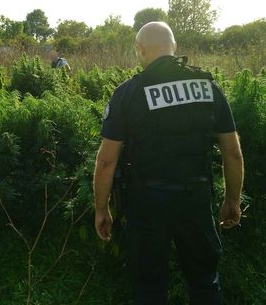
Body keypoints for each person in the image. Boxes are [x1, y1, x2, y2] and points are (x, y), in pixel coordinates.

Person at [93, 21, 244, 304]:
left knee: (150, 288)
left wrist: (102, 209)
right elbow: (232, 152)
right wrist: (232, 199)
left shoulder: (128, 93)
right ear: (174, 47)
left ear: (139, 50)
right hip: (196, 199)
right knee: (205, 283)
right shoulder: (208, 87)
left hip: (146, 203)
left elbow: (105, 161)